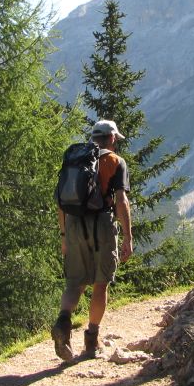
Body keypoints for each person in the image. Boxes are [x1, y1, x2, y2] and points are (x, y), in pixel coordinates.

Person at [51, 119, 133, 361]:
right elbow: (121, 202)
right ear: (112, 138)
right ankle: (91, 340)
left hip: (74, 225)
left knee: (74, 283)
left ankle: (63, 324)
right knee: (100, 282)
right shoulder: (116, 162)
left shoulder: (74, 158)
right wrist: (128, 236)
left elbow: (60, 202)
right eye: (116, 139)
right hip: (101, 226)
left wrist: (64, 236)